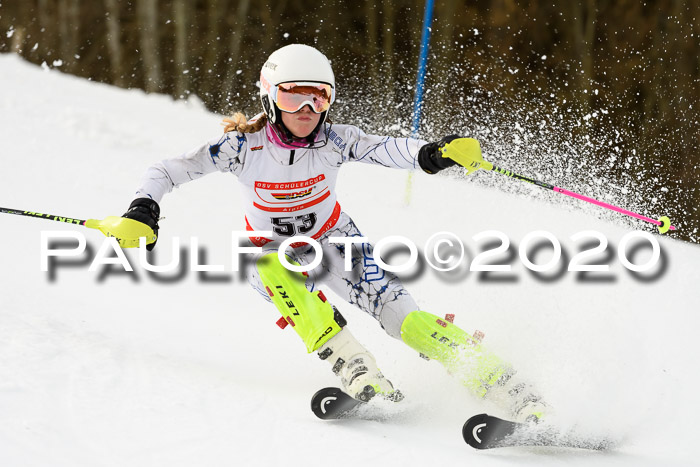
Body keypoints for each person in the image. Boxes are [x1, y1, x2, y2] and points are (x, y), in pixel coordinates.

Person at [121, 44, 546, 422]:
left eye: (319, 95)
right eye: (292, 95)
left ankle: (511, 388)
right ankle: (356, 367)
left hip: (338, 241)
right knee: (272, 266)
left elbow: (387, 148)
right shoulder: (240, 147)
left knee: (409, 322)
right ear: (270, 98)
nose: (306, 108)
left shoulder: (336, 140)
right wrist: (142, 209)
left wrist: (435, 153)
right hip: (269, 250)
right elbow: (166, 170)